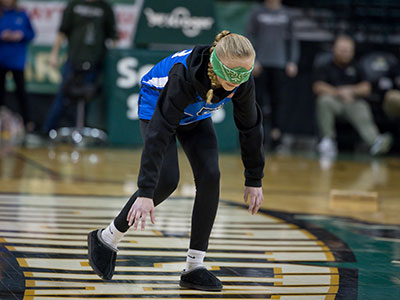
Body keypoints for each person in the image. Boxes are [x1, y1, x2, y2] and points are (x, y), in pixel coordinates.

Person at [87, 31, 265, 291]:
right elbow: (159, 133)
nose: (237, 83)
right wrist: (146, 191)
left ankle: (194, 267)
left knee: (211, 176)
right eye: (232, 76)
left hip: (196, 113)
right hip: (157, 102)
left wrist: (254, 178)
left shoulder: (241, 84)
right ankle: (107, 237)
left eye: (244, 75)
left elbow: (251, 129)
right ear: (216, 65)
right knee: (167, 179)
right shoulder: (183, 75)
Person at [42, 0, 117, 134]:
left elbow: (113, 35)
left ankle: (80, 131)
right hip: (73, 60)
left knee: (86, 98)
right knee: (63, 96)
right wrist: (54, 54)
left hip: (94, 61)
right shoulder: (74, 5)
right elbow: (62, 31)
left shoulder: (105, 7)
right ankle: (47, 130)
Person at [313, 35, 392, 157]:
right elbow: (318, 86)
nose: (345, 53)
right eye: (342, 50)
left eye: (348, 50)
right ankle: (328, 140)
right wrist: (338, 92)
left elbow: (366, 87)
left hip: (353, 102)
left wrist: (351, 91)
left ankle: (375, 141)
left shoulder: (357, 66)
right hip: (334, 101)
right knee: (323, 101)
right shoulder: (325, 66)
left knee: (362, 107)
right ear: (334, 49)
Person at [245, 0, 299, 149]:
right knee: (258, 100)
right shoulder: (257, 12)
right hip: (260, 64)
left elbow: (293, 39)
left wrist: (292, 61)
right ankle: (257, 134)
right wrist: (252, 60)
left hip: (280, 63)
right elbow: (249, 36)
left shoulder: (287, 14)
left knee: (279, 100)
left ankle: (277, 134)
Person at [0, 0, 35, 130]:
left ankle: (28, 123)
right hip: (1, 60)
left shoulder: (22, 14)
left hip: (17, 61)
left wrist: (21, 35)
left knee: (21, 93)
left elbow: (31, 33)